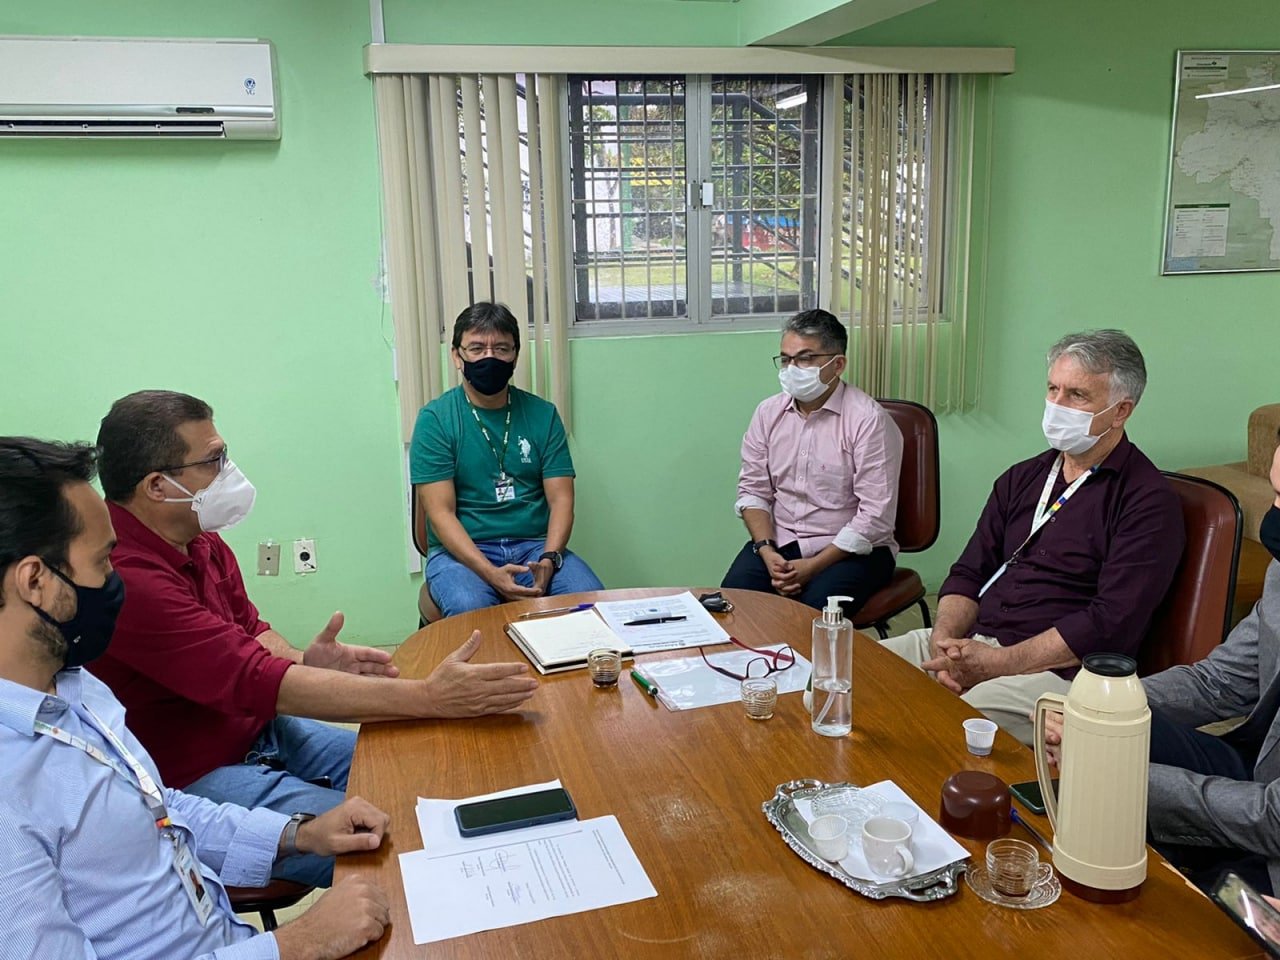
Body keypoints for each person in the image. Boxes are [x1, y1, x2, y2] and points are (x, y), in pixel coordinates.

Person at [92, 390, 539, 888]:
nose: (228, 471)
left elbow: (252, 632)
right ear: (157, 486)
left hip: (259, 731)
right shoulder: (127, 578)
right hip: (194, 778)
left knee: (430, 773)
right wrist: (430, 697)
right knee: (400, 842)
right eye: (213, 460)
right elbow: (254, 678)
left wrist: (305, 660)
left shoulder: (198, 539)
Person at [0, 436, 393, 960]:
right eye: (103, 561)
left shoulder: (73, 685)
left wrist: (299, 835)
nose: (117, 578)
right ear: (35, 581)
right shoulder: (11, 792)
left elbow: (159, 811)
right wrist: (297, 944)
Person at [880, 329, 1184, 745]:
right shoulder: (1022, 478)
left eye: (1077, 395)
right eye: (1053, 389)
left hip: (1057, 671)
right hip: (972, 645)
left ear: (1120, 411)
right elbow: (969, 573)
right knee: (850, 674)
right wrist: (943, 641)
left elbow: (1108, 623)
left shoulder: (1146, 502)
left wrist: (998, 664)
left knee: (941, 726)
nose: (1057, 405)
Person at [1043, 440, 1280, 897]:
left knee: (1162, 901)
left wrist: (1128, 783)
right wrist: (1101, 711)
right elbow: (1218, 681)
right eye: (1275, 493)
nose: (1274, 515)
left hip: (1272, 825)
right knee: (1106, 740)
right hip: (1256, 765)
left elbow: (1272, 818)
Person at [411, 302, 603, 618]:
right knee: (472, 610)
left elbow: (561, 500)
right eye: (477, 348)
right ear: (457, 356)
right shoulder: (436, 420)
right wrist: (489, 573)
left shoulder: (543, 415)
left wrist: (549, 559)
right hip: (462, 554)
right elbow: (440, 514)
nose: (490, 358)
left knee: (590, 605)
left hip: (534, 547)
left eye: (501, 349)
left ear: (515, 355)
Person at [721, 309, 903, 612]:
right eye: (786, 359)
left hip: (853, 550)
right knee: (733, 608)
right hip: (780, 542)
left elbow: (875, 515)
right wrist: (767, 551)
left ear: (838, 364)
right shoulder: (768, 413)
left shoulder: (868, 420)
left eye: (805, 358)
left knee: (807, 617)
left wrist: (813, 567)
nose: (792, 369)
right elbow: (753, 491)